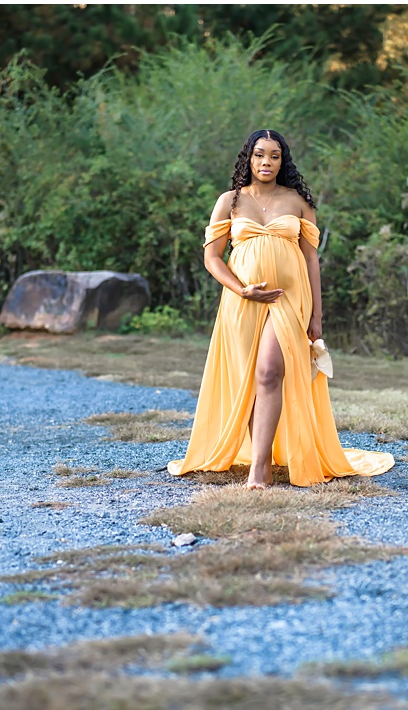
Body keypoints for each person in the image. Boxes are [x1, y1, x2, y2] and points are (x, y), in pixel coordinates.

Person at [168, 129, 394, 488]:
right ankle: (263, 454)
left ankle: (260, 469)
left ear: (283, 160)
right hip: (241, 301)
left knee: (270, 372)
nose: (266, 162)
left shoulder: (298, 202)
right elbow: (212, 259)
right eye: (260, 155)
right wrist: (242, 289)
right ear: (249, 158)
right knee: (248, 379)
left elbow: (311, 260)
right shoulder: (230, 201)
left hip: (289, 299)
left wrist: (317, 316)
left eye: (274, 156)